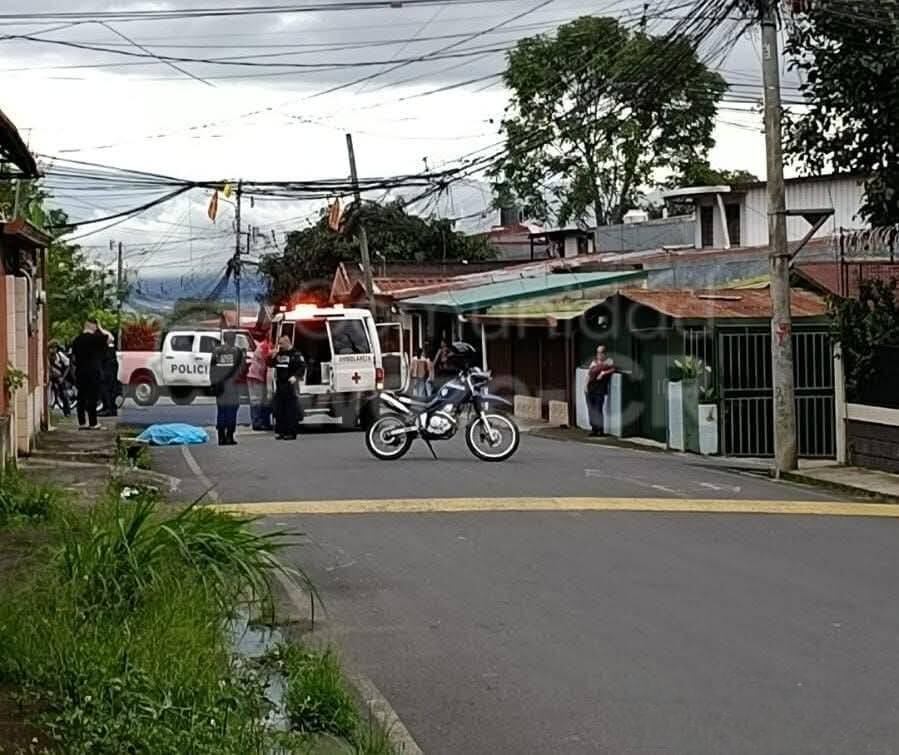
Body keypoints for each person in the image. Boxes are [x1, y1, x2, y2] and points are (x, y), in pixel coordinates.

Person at [71, 319, 110, 430]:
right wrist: (101, 328)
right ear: (93, 326)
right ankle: (93, 423)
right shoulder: (95, 339)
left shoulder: (76, 340)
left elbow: (73, 357)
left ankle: (82, 422)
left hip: (80, 372)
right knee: (92, 397)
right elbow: (110, 338)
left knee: (81, 397)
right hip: (93, 371)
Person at [210, 333, 246, 446]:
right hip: (233, 386)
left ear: (224, 339)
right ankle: (229, 436)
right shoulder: (238, 352)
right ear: (234, 339)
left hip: (220, 385)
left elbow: (212, 369)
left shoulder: (217, 351)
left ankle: (221, 437)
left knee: (221, 411)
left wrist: (214, 383)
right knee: (232, 411)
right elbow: (242, 368)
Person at [268, 334, 306, 441]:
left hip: (290, 384)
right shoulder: (279, 354)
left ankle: (291, 432)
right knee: (279, 409)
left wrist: (296, 376)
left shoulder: (296, 354)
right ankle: (281, 431)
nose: (280, 346)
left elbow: (302, 367)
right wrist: (272, 356)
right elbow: (270, 364)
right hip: (280, 384)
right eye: (279, 343)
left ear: (287, 342)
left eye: (281, 343)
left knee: (290, 410)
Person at [585, 345, 615, 437]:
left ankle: (600, 430)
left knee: (598, 409)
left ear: (605, 354)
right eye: (598, 352)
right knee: (591, 410)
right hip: (590, 388)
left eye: (601, 352)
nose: (599, 354)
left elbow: (613, 369)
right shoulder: (593, 362)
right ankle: (594, 429)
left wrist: (603, 373)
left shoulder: (609, 361)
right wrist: (585, 386)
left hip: (600, 390)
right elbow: (588, 375)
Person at [247, 336, 273, 431]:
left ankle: (263, 422)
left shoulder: (264, 345)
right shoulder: (265, 346)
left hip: (258, 376)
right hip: (256, 377)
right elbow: (269, 357)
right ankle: (257, 423)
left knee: (262, 401)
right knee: (256, 401)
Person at [48, 340, 71, 417]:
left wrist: (63, 377)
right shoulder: (47, 357)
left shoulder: (60, 356)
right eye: (51, 348)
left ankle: (67, 411)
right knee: (49, 394)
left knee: (63, 394)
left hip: (59, 377)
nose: (52, 350)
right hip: (50, 377)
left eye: (54, 348)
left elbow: (68, 365)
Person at [98, 333, 119, 417]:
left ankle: (109, 409)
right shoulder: (110, 349)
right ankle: (108, 408)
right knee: (108, 390)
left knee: (107, 390)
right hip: (110, 372)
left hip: (108, 372)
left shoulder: (108, 349)